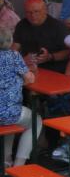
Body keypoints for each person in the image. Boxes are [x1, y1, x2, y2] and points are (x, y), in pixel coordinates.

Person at [0, 28, 40, 168]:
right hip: (8, 111)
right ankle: (19, 165)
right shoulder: (13, 56)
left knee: (11, 122)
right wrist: (31, 72)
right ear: (9, 41)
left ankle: (6, 160)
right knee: (36, 121)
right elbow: (29, 78)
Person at [13, 0, 70, 73]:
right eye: (28, 12)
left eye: (36, 11)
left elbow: (69, 52)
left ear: (45, 10)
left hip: (54, 71)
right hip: (29, 69)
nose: (32, 15)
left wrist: (50, 57)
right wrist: (21, 60)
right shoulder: (21, 25)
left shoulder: (58, 27)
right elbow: (14, 48)